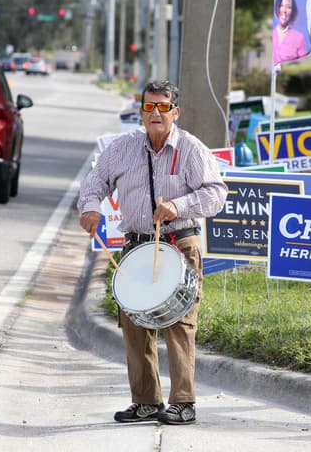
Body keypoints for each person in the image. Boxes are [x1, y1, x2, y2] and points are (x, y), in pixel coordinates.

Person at [78, 80, 227, 425]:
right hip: (136, 245)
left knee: (179, 322)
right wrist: (90, 207)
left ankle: (183, 402)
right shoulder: (122, 148)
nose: (155, 113)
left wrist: (179, 204)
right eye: (149, 107)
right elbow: (95, 180)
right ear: (141, 111)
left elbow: (217, 193)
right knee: (134, 325)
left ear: (175, 112)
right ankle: (145, 401)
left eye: (163, 107)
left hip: (178, 243)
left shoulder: (191, 149)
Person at [273, 0, 308, 65]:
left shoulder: (299, 38)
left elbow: (302, 65)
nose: (284, 10)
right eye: (281, 5)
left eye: (288, 7)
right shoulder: (270, 34)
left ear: (293, 11)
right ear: (276, 7)